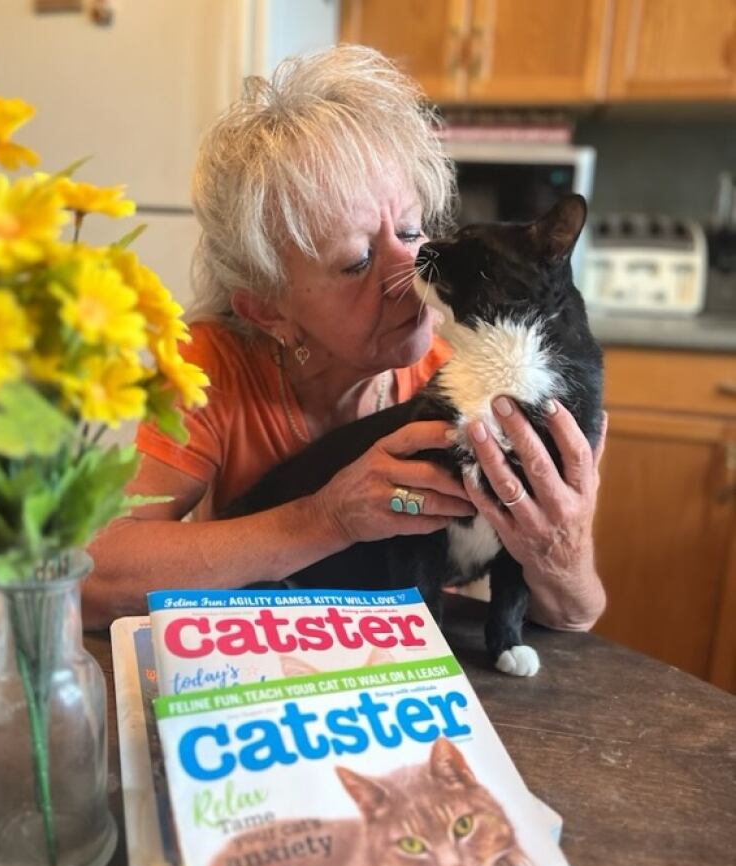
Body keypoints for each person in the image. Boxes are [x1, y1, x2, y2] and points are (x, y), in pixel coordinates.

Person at [83, 45, 606, 632]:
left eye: (410, 231)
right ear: (267, 310)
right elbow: (92, 576)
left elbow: (575, 617)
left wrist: (563, 546)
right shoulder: (209, 368)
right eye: (357, 262)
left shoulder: (470, 380)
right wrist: (325, 519)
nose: (408, 272)